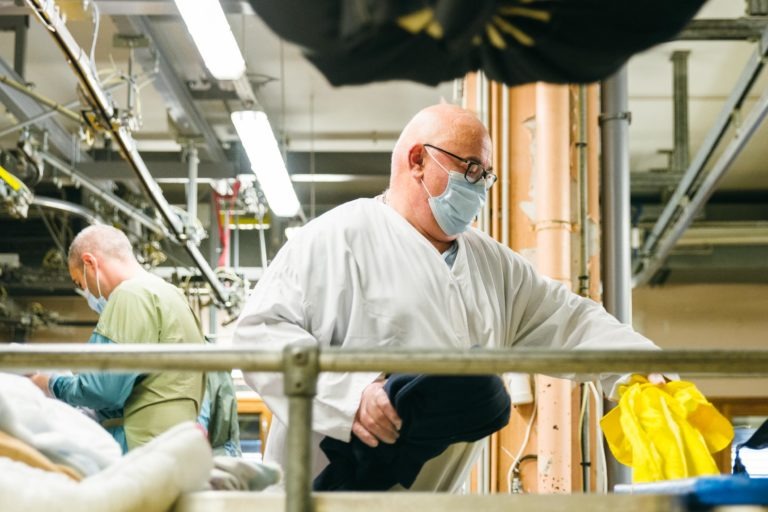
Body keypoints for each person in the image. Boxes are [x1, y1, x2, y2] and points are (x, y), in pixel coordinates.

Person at [233, 103, 663, 491]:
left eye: (486, 175)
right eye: (470, 169)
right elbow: (258, 337)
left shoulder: (492, 265)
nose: (478, 187)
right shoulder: (335, 239)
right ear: (418, 159)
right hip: (321, 499)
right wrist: (352, 395)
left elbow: (571, 322)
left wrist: (646, 375)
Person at [30, 225, 208, 453]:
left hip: (141, 448)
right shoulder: (172, 296)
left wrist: (51, 382)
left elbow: (100, 390)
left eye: (80, 284)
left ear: (90, 263)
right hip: (177, 446)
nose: (88, 294)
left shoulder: (129, 296)